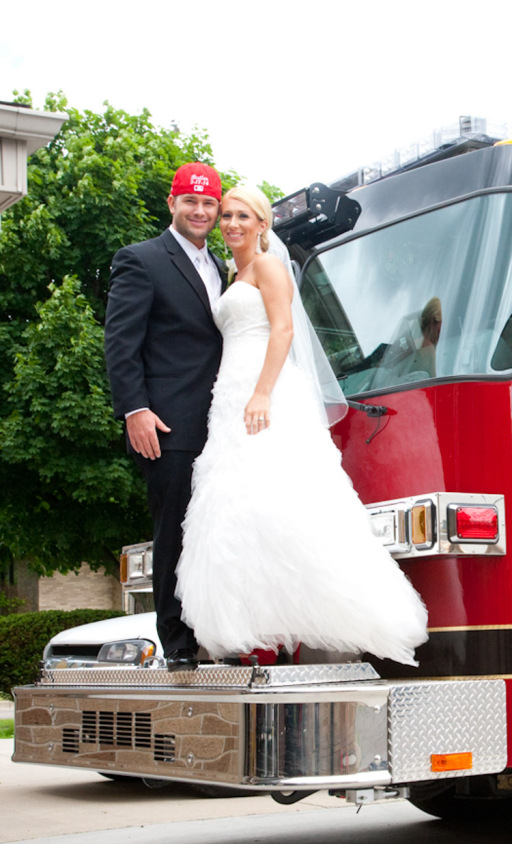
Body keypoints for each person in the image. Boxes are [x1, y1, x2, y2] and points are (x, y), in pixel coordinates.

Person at [174, 186, 428, 666]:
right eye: (226, 215)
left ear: (262, 224)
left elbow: (284, 329)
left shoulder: (269, 266)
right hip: (229, 397)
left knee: (281, 504)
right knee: (240, 510)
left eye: (242, 216)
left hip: (261, 394)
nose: (230, 223)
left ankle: (288, 629)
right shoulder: (235, 272)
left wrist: (263, 392)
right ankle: (258, 630)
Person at [105, 162, 226, 672]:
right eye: (190, 201)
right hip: (168, 426)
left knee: (219, 532)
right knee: (173, 532)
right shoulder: (141, 260)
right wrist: (135, 409)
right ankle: (177, 645)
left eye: (208, 203)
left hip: (222, 428)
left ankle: (217, 634)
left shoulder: (223, 265)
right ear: (172, 204)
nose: (199, 211)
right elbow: (120, 341)